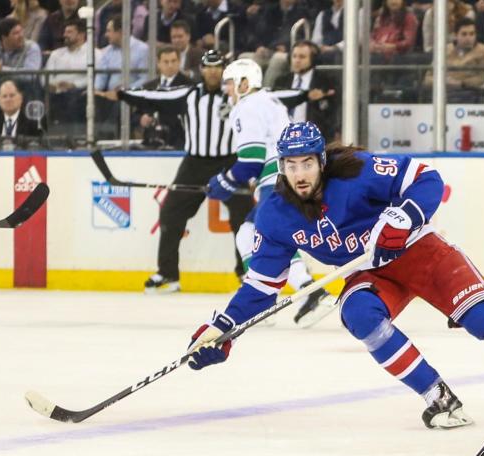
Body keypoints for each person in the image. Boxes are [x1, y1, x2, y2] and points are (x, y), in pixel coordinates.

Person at [187, 122, 484, 430]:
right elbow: (261, 285)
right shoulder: (275, 215)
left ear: (320, 160)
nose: (299, 173)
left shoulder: (355, 172)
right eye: (290, 164)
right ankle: (436, 395)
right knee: (359, 315)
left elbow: (426, 178)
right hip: (372, 272)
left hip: (419, 252)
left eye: (307, 163)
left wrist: (405, 215)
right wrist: (223, 330)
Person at [207, 59, 336, 327]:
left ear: (244, 82)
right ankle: (292, 293)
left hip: (277, 176)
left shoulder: (247, 106)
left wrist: (223, 182)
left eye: (230, 83)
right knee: (259, 236)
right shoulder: (269, 101)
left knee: (259, 235)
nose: (227, 90)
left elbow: (251, 160)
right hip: (283, 175)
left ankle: (286, 297)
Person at [110, 51, 252, 293]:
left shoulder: (237, 95)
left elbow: (269, 100)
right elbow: (154, 97)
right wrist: (124, 93)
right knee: (170, 214)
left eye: (218, 67)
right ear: (201, 70)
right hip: (194, 164)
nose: (213, 71)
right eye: (208, 67)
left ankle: (247, 275)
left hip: (229, 163)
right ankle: (168, 274)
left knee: (245, 219)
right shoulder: (188, 94)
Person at [272, 41, 340, 142]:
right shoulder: (281, 82)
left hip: (313, 141)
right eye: (294, 56)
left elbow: (333, 115)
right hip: (283, 138)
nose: (297, 60)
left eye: (302, 57)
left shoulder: (325, 82)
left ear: (313, 60)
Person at [135, 46, 194, 149]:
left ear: (179, 62)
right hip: (151, 143)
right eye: (166, 62)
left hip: (180, 143)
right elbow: (135, 115)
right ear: (158, 63)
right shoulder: (148, 87)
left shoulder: (190, 86)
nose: (170, 65)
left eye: (173, 61)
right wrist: (141, 119)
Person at [422, 17, 484, 101]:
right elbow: (427, 78)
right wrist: (443, 82)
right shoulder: (444, 50)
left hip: (468, 92)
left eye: (472, 34)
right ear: (455, 35)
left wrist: (461, 83)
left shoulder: (483, 50)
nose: (468, 38)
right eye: (464, 34)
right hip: (443, 90)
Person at [43, 18, 88, 133]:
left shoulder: (93, 54)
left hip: (79, 93)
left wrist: (73, 85)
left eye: (69, 32)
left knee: (72, 97)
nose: (65, 35)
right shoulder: (56, 54)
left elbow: (95, 78)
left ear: (81, 34)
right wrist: (50, 84)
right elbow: (45, 75)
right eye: (64, 32)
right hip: (55, 93)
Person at [0, 78, 43, 148]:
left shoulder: (33, 126)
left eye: (12, 95)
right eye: (4, 96)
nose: (8, 99)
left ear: (21, 98)